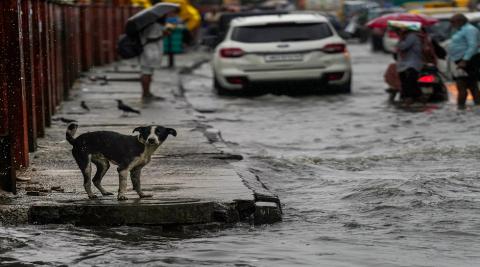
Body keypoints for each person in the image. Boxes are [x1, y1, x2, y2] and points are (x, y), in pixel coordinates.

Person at [448, 13, 480, 109]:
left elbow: (473, 45)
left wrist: (465, 60)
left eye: (452, 22)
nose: (451, 24)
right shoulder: (461, 30)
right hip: (461, 60)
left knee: (462, 84)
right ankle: (474, 106)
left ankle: (461, 108)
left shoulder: (470, 30)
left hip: (468, 60)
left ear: (460, 21)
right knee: (471, 85)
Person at [138, 17, 171, 101]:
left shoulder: (147, 24)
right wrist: (163, 35)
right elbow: (150, 38)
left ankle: (147, 93)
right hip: (151, 51)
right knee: (146, 72)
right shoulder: (154, 25)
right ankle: (145, 93)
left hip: (149, 51)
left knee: (148, 73)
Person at [395, 27, 424, 105]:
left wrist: (400, 40)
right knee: (406, 82)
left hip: (412, 64)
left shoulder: (412, 36)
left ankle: (410, 99)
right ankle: (418, 98)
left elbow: (402, 46)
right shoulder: (405, 37)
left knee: (410, 82)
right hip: (403, 64)